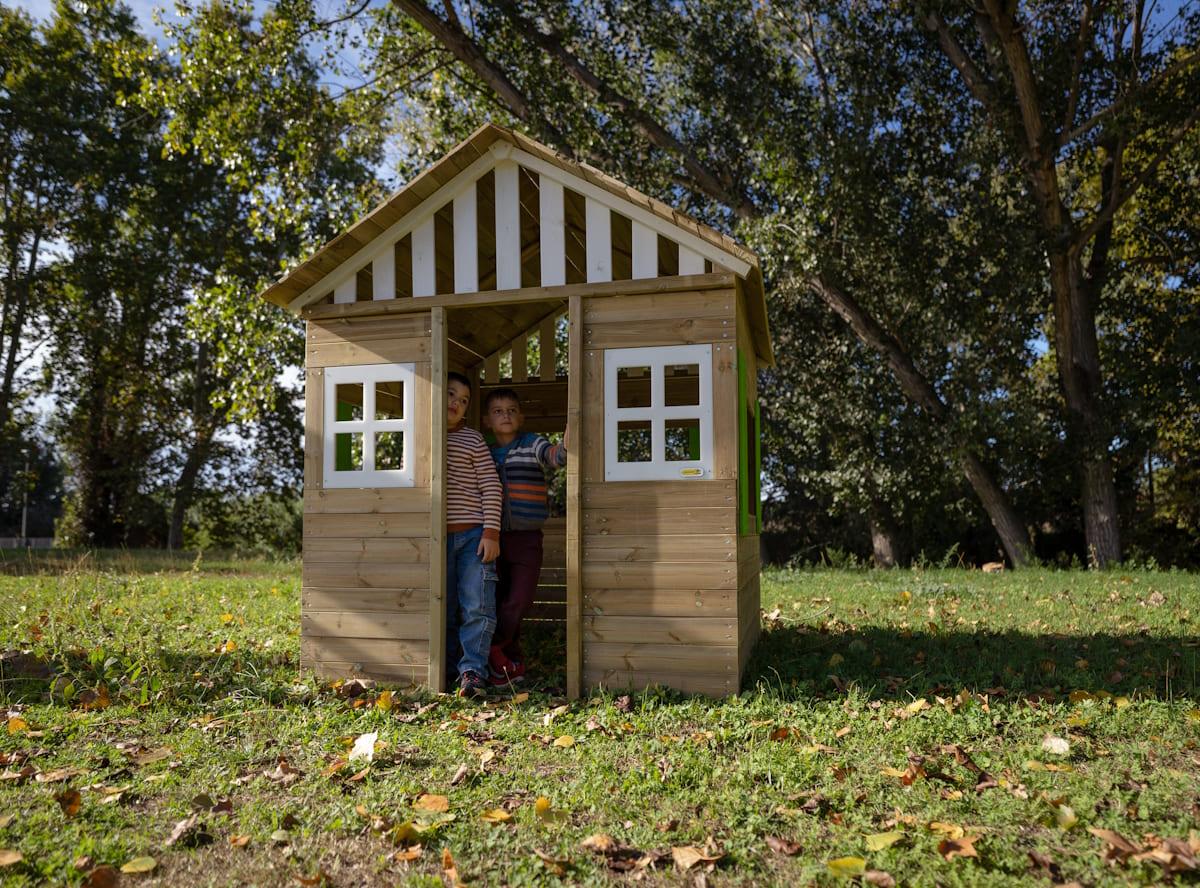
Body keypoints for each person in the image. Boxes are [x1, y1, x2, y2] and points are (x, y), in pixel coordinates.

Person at [482, 387, 567, 686]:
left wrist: (567, 440)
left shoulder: (532, 444)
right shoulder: (485, 452)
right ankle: (507, 664)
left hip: (527, 539)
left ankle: (493, 650)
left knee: (519, 599)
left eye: (511, 410)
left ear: (521, 417)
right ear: (487, 420)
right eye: (498, 411)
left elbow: (556, 457)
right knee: (499, 599)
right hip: (492, 538)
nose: (505, 415)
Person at [444, 371, 503, 698]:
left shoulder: (472, 440)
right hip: (436, 539)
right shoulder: (422, 436)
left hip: (473, 536)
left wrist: (491, 533)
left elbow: (492, 488)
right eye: (451, 394)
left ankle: (473, 672)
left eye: (463, 400)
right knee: (444, 607)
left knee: (477, 605)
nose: (456, 403)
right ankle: (448, 667)